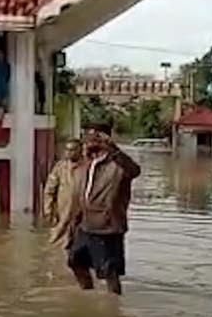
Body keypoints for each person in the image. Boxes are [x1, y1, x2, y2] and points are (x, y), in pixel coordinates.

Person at [70, 122, 141, 295]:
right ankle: (87, 295)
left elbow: (135, 171)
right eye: (87, 135)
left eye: (94, 136)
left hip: (108, 226)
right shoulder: (87, 161)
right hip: (85, 224)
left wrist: (112, 148)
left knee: (109, 271)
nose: (89, 139)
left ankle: (114, 305)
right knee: (75, 262)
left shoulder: (117, 164)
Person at [44, 139, 85, 264]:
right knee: (56, 250)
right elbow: (49, 190)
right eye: (67, 150)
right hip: (61, 216)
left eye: (73, 150)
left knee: (79, 253)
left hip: (82, 217)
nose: (69, 153)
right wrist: (48, 210)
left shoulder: (88, 167)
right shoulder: (60, 167)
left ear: (80, 151)